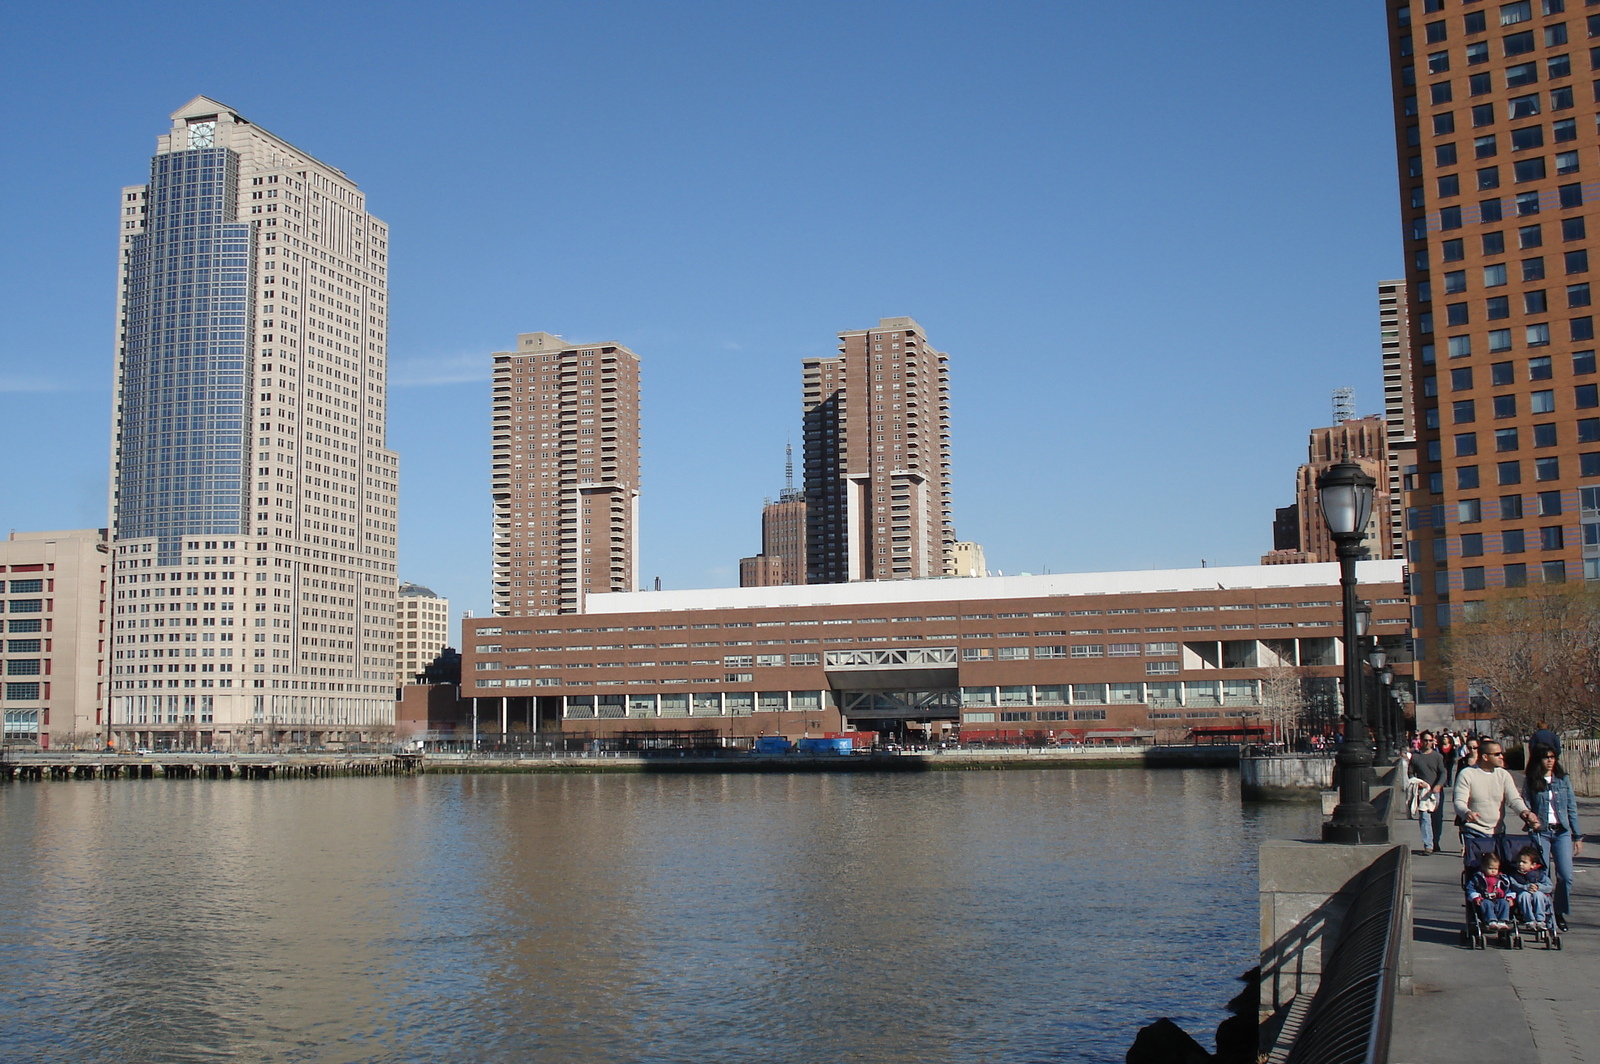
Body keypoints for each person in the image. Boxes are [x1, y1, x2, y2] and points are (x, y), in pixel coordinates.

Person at [1523, 742, 1584, 932]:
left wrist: (1577, 835)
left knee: (1565, 875)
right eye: (1545, 757)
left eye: (1552, 757)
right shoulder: (1532, 780)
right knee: (1543, 874)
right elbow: (1525, 804)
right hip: (1541, 832)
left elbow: (1571, 807)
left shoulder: (1562, 779)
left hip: (1562, 832)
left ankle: (1559, 911)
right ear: (1538, 759)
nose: (1550, 761)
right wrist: (1529, 818)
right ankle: (1544, 913)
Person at [1454, 740, 1539, 838]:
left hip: (1498, 832)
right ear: (1485, 757)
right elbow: (1459, 801)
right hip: (1473, 831)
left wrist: (1524, 812)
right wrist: (1467, 812)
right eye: (1497, 754)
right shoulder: (1467, 774)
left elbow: (1514, 799)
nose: (1501, 757)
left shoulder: (1503, 775)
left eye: (1501, 753)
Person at [1409, 732, 1447, 854]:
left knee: (1437, 819)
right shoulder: (1415, 757)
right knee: (1424, 818)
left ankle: (1435, 841)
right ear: (1421, 741)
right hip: (1422, 792)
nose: (1428, 743)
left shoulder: (1437, 757)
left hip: (1435, 791)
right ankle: (1428, 845)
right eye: (1425, 740)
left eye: (1430, 740)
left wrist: (1438, 785)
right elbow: (1410, 773)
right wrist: (1416, 782)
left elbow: (1443, 772)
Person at [1508, 844, 1555, 929]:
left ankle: (1540, 920)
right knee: (1524, 895)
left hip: (1539, 896)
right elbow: (1513, 885)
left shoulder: (1539, 874)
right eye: (1519, 861)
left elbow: (1549, 887)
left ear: (1533, 865)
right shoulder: (1514, 875)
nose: (1520, 864)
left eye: (1524, 862)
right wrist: (1525, 887)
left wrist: (1538, 887)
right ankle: (1529, 920)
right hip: (1523, 895)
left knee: (1538, 895)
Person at [1468, 851, 1514, 931]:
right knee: (1486, 903)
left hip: (1499, 898)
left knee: (1504, 903)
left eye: (1495, 869)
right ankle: (1491, 921)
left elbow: (1507, 888)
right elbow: (1470, 888)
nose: (1493, 871)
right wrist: (1475, 897)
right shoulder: (1478, 877)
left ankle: (1502, 921)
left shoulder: (1502, 878)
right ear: (1483, 867)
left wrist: (1509, 897)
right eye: (1490, 868)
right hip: (1484, 898)